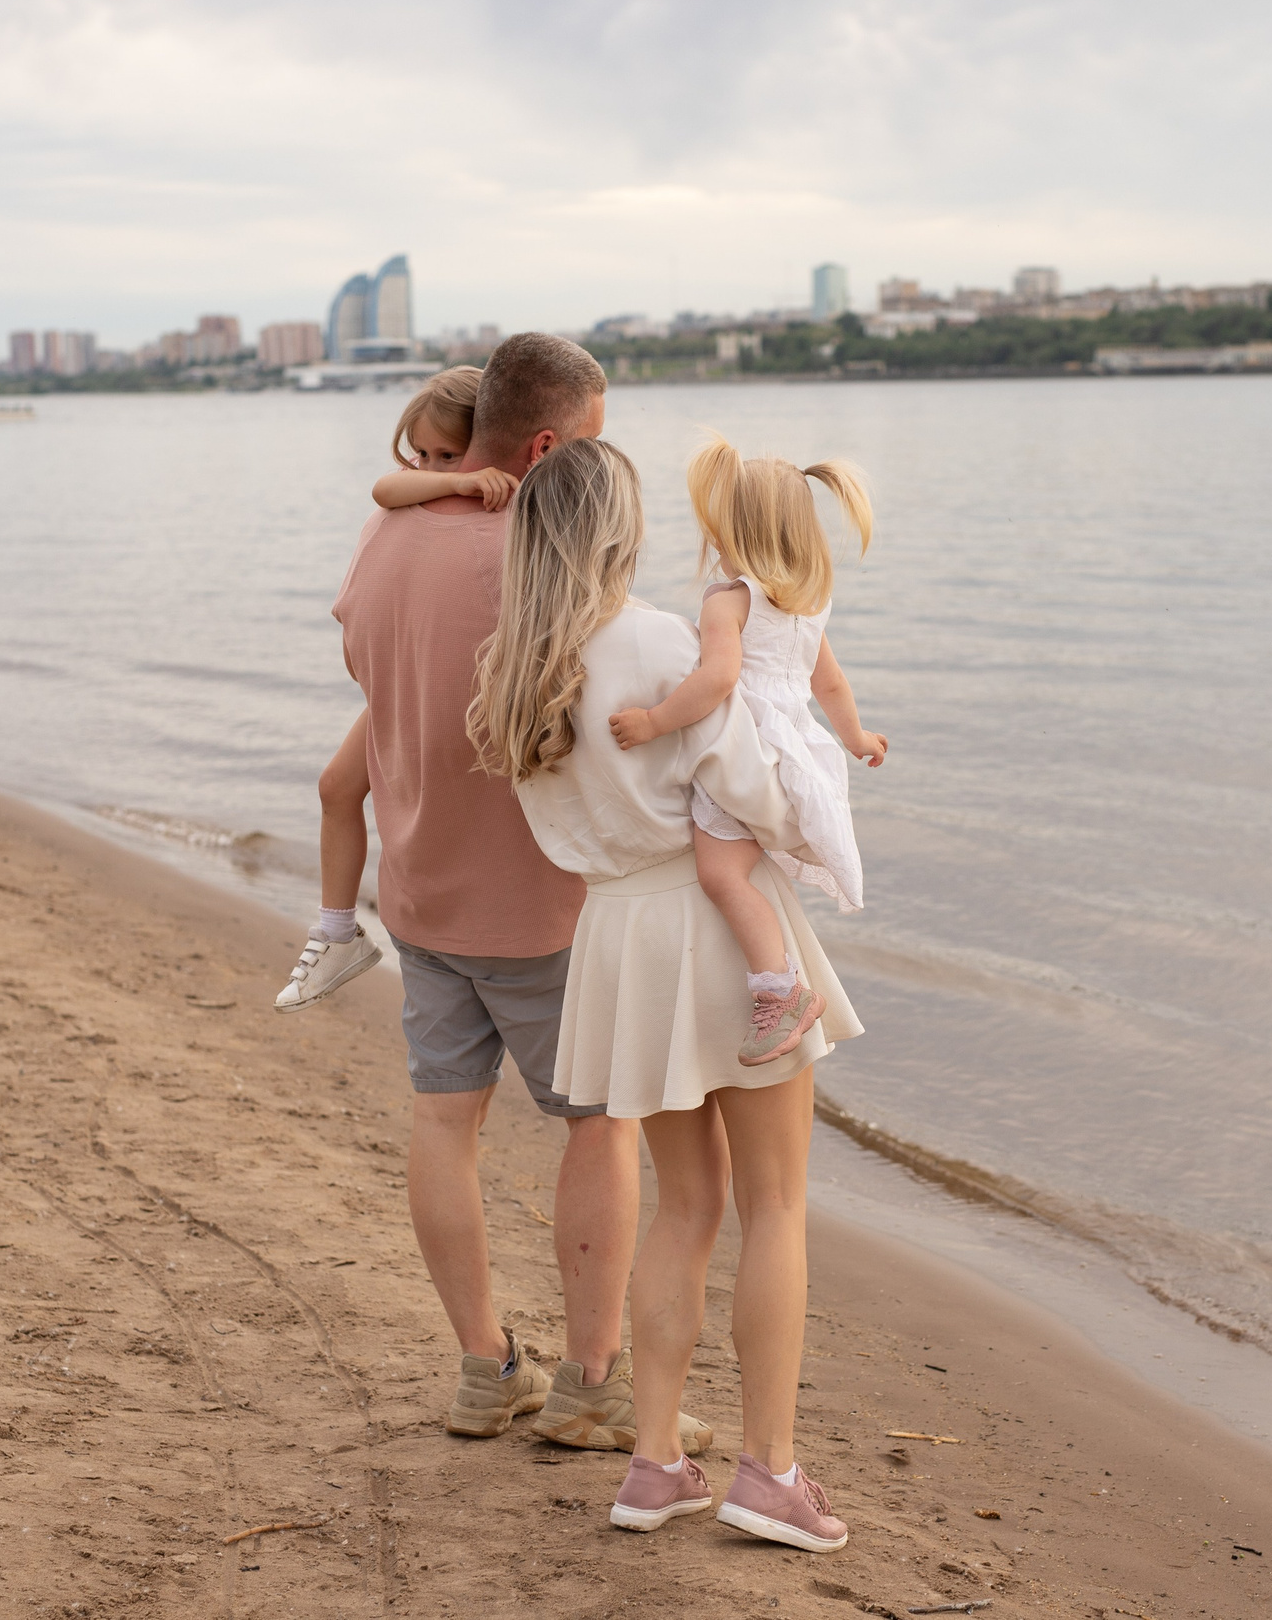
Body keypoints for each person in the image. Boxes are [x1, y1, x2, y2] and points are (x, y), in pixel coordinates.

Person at [471, 436, 863, 1553]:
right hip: (714, 928)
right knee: (774, 1204)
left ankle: (652, 1464)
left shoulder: (515, 665)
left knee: (684, 1206)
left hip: (619, 937)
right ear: (620, 530)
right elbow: (753, 791)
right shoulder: (658, 641)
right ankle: (769, 1471)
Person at [327, 337, 707, 1457]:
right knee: (600, 1125)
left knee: (444, 1121)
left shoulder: (384, 535)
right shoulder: (546, 559)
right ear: (547, 447)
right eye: (592, 445)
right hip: (542, 909)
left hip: (419, 888)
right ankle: (591, 1386)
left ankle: (483, 1370)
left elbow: (373, 682)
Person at [607, 436, 886, 1065]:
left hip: (745, 754)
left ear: (736, 532)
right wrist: (857, 739)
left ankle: (781, 991)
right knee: (745, 867)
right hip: (796, 758)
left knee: (721, 877)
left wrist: (654, 721)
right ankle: (781, 983)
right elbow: (829, 684)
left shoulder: (728, 600)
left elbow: (717, 680)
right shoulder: (809, 603)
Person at [276, 366, 491, 1015]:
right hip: (404, 688)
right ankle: (337, 931)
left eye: (448, 453)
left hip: (456, 691)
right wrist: (456, 479)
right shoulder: (428, 490)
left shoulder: (511, 504)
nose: (429, 467)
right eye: (421, 453)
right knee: (335, 787)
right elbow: (384, 487)